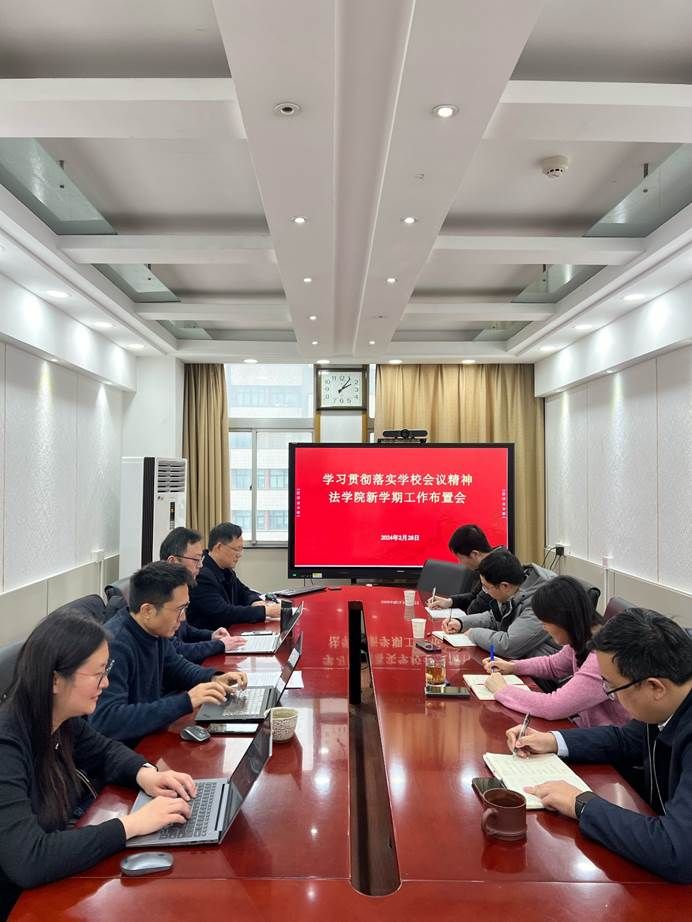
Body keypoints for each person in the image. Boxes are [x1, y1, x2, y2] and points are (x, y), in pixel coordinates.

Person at [0, 610, 196, 919]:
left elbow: (103, 750)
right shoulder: (7, 743)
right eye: (97, 674)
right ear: (55, 680)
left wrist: (146, 774)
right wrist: (132, 825)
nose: (106, 683)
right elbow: (29, 859)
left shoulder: (58, 717)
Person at [507, 608, 692, 884]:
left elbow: (677, 852)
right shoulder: (668, 700)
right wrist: (552, 740)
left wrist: (582, 804)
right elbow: (625, 739)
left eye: (612, 687)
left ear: (655, 687)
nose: (610, 696)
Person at [92, 562, 247, 746]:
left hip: (149, 736)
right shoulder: (114, 645)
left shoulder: (155, 631)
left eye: (185, 607)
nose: (183, 617)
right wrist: (186, 701)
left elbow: (177, 668)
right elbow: (107, 719)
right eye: (179, 609)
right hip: (126, 750)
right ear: (148, 610)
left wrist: (214, 678)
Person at [482, 576, 629, 727]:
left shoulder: (600, 658)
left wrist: (503, 690)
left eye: (545, 622)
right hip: (583, 726)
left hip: (603, 736)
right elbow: (552, 665)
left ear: (564, 619)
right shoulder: (583, 637)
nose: (544, 628)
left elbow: (553, 706)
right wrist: (513, 667)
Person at [441, 548, 559, 659]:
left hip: (546, 669)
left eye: (486, 588)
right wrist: (461, 623)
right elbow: (494, 618)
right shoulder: (515, 588)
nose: (485, 592)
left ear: (504, 586)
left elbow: (508, 646)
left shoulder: (542, 599)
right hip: (521, 661)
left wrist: (473, 633)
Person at [159, 526, 245, 662]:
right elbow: (176, 650)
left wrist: (212, 635)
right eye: (196, 560)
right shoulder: (159, 596)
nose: (200, 565)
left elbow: (185, 630)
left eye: (201, 559)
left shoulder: (178, 588)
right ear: (173, 561)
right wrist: (219, 645)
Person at [187, 522, 281, 631]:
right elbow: (223, 612)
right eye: (237, 549)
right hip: (210, 636)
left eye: (241, 549)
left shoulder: (226, 569)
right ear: (219, 547)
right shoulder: (201, 574)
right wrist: (265, 611)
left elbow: (244, 591)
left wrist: (255, 602)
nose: (240, 554)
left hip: (228, 632)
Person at [426, 524, 494, 614]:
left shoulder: (496, 568)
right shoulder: (489, 562)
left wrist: (460, 620)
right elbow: (474, 597)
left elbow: (475, 610)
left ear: (474, 554)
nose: (459, 563)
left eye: (460, 558)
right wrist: (449, 602)